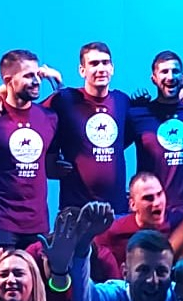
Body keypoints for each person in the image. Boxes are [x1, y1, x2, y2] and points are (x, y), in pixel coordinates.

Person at [0, 49, 61, 249]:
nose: (36, 81)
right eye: (28, 76)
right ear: (8, 81)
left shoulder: (49, 118)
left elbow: (52, 165)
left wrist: (59, 84)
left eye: (37, 75)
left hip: (38, 225)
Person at [47, 41, 129, 212]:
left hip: (116, 209)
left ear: (112, 68)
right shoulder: (65, 100)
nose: (101, 69)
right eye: (94, 63)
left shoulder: (122, 101)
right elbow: (28, 112)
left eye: (105, 63)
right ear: (82, 70)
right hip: (76, 210)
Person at [126, 51, 183, 204]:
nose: (170, 77)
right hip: (152, 209)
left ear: (182, 78)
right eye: (164, 71)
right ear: (154, 79)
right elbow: (113, 151)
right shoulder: (137, 116)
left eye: (175, 71)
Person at [89, 171, 183, 282]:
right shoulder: (113, 232)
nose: (157, 202)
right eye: (148, 198)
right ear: (133, 205)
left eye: (159, 194)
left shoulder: (177, 223)